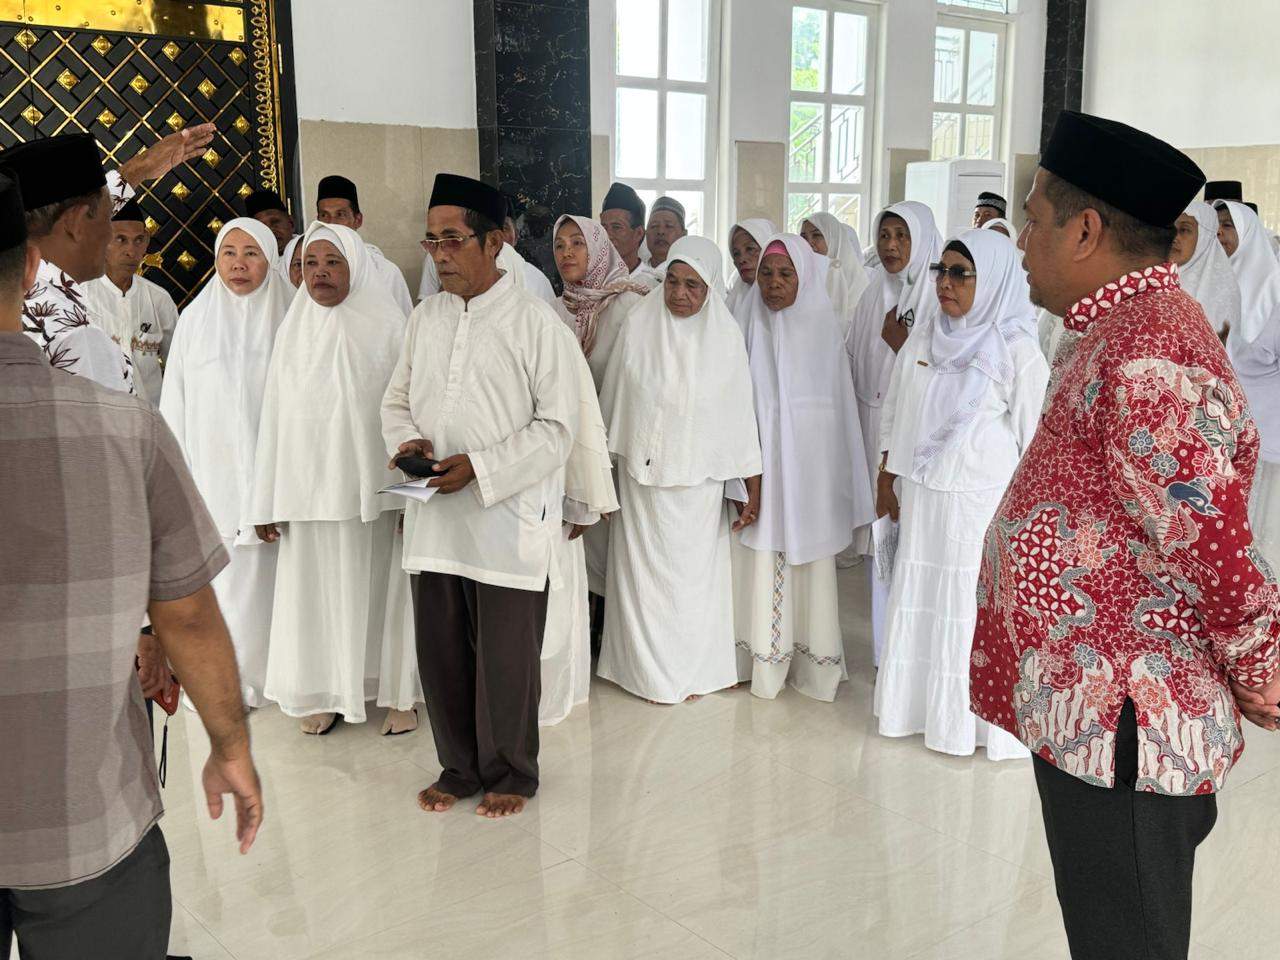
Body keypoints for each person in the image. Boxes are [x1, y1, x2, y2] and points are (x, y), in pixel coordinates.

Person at [972, 110, 1280, 959]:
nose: (1022, 241)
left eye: (1033, 220)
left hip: (1131, 733)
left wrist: (1263, 671)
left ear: (1086, 229)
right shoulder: (1114, 329)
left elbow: (1212, 548)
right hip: (1098, 716)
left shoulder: (1150, 353)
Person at [0, 170, 263, 957]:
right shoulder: (124, 430)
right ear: (26, 269)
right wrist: (232, 747)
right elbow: (185, 611)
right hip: (84, 814)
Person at [382, 174, 592, 818]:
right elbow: (394, 400)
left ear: (495, 241)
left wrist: (482, 467)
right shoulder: (425, 318)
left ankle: (513, 773)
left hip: (506, 515)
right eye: (432, 239)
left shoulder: (536, 323)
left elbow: (558, 429)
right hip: (435, 516)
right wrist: (409, 440)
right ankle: (458, 767)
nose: (439, 253)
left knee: (505, 657)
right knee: (441, 649)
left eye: (453, 238)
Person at [874, 229, 1047, 757]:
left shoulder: (1017, 350)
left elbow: (1034, 439)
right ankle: (916, 712)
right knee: (921, 599)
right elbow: (895, 411)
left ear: (991, 280)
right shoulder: (926, 335)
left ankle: (972, 725)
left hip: (981, 505)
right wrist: (887, 477)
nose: (944, 284)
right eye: (940, 272)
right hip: (925, 497)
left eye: (959, 274)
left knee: (968, 608)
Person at [244, 222, 415, 736]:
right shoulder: (294, 329)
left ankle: (398, 695)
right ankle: (325, 692)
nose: (319, 273)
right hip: (310, 490)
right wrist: (265, 502)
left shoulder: (388, 324)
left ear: (356, 266)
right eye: (310, 264)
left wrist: (412, 499)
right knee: (319, 595)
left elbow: (411, 416)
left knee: (384, 591)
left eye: (332, 262)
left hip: (376, 494)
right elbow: (273, 421)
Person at [597, 236, 763, 704]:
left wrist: (751, 484)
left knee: (691, 584)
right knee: (641, 580)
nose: (679, 293)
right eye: (672, 280)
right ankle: (642, 672)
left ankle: (695, 670)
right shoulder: (638, 323)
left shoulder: (725, 337)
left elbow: (739, 418)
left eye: (693, 285)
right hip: (640, 480)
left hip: (699, 484)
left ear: (710, 287)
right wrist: (601, 474)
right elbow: (614, 401)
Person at [159, 218, 292, 711]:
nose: (239, 263)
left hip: (276, 479)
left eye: (252, 252)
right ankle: (226, 683)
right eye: (229, 252)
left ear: (272, 258)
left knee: (274, 583)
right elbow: (175, 405)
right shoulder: (195, 321)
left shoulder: (293, 316)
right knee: (227, 585)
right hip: (214, 479)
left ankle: (280, 679)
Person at [733, 235, 873, 700]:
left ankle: (814, 667)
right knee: (758, 563)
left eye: (786, 274)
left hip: (808, 483)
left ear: (805, 278)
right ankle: (762, 663)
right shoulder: (746, 324)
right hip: (758, 477)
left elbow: (839, 422)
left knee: (810, 572)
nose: (773, 284)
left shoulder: (822, 330)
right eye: (767, 273)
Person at [2, 125, 214, 393]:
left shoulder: (14, 291)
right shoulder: (78, 340)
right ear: (76, 224)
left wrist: (138, 170)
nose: (109, 234)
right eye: (107, 219)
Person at [843, 201, 943, 664]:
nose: (889, 246)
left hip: (918, 443)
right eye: (884, 235)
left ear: (921, 242)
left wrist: (901, 346)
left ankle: (912, 650)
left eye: (902, 236)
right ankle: (888, 651)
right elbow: (853, 357)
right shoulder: (873, 292)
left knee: (912, 544)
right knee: (885, 543)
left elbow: (942, 375)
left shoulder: (937, 298)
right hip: (877, 429)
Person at [552, 214, 648, 600]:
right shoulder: (557, 309)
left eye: (577, 243)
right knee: (580, 535)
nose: (567, 252)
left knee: (616, 539)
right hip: (575, 442)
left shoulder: (630, 304)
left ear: (598, 248)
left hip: (618, 441)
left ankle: (614, 619)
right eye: (559, 245)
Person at [1215, 199, 1280, 569]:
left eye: (1229, 226)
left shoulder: (1274, 293)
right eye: (1218, 225)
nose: (1221, 234)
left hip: (1268, 447)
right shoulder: (1215, 283)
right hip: (1225, 441)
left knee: (1263, 547)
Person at [81, 199, 179, 405]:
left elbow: (179, 367)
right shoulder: (82, 296)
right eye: (121, 239)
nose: (131, 251)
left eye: (138, 240)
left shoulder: (159, 299)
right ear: (103, 241)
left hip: (150, 418)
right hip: (97, 418)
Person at [315, 174, 413, 315]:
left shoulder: (385, 272)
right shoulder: (313, 272)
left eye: (340, 214)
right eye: (324, 215)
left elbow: (403, 329)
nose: (331, 223)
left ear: (358, 220)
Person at [1170, 202, 1241, 339]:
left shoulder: (1222, 292)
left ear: (1205, 236)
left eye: (1184, 230)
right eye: (1170, 229)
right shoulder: (1150, 277)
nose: (1174, 237)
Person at [800, 212, 871, 337]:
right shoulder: (799, 276)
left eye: (816, 235)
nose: (809, 243)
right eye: (803, 237)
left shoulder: (856, 280)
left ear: (833, 238)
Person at [726, 218, 777, 324]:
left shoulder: (785, 297)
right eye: (736, 253)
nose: (741, 259)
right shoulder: (735, 298)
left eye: (750, 249)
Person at [633, 196, 687, 289]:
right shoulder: (633, 273)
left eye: (669, 226)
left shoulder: (690, 276)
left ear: (684, 234)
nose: (660, 231)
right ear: (645, 233)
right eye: (654, 226)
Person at [600, 181, 648, 278]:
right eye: (604, 228)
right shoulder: (593, 281)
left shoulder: (655, 286)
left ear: (639, 233)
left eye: (616, 227)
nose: (608, 236)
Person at [244, 188, 295, 255]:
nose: (271, 231)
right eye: (262, 227)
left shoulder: (309, 253)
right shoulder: (250, 263)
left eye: (275, 222)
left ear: (291, 223)